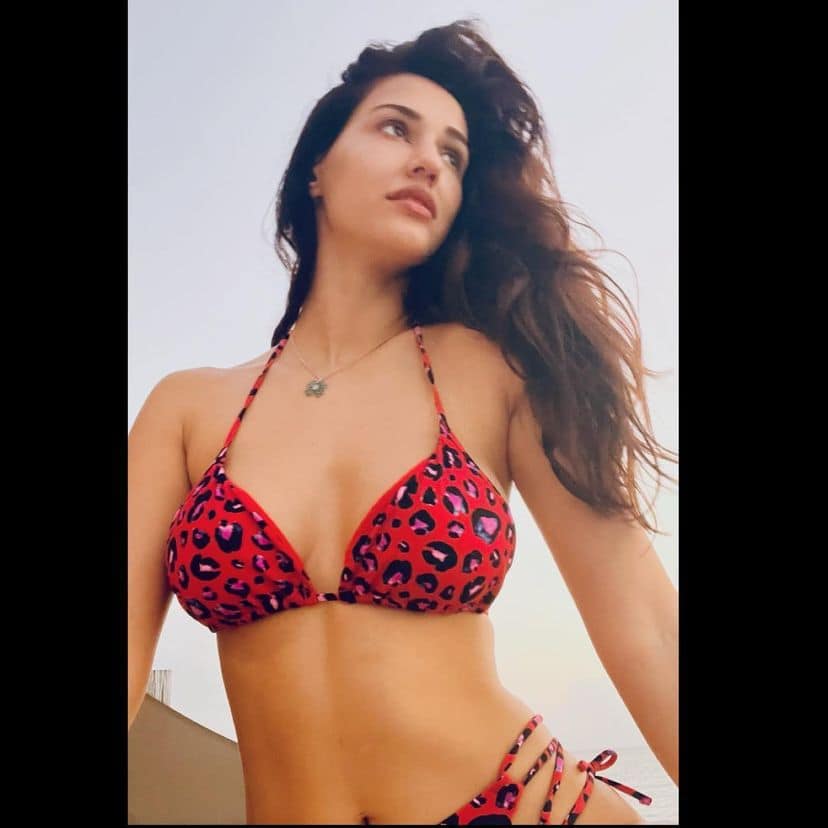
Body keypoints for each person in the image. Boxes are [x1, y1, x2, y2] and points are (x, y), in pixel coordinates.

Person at [128, 19, 678, 825]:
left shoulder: (496, 368)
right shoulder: (187, 407)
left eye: (453, 156)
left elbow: (650, 630)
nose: (429, 162)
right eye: (396, 128)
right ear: (317, 168)